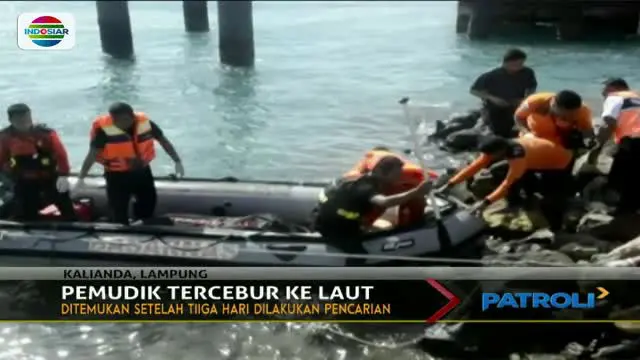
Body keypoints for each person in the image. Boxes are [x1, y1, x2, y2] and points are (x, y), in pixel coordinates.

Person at [76, 102, 184, 224]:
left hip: (142, 172)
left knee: (148, 204)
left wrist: (177, 161)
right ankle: (120, 229)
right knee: (118, 209)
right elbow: (92, 155)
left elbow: (163, 141)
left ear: (132, 116)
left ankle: (143, 226)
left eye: (123, 120)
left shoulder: (146, 123)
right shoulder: (104, 131)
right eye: (115, 120)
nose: (118, 123)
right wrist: (81, 178)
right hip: (117, 176)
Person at [438, 135, 575, 231]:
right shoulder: (501, 145)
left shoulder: (517, 155)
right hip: (535, 159)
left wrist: (485, 203)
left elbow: (507, 183)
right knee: (508, 173)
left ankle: (555, 221)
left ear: (500, 151)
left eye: (491, 155)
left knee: (551, 195)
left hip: (559, 163)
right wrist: (450, 184)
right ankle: (519, 201)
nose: (488, 158)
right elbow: (474, 166)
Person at [313, 147, 433, 238]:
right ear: (383, 173)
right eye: (397, 174)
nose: (400, 177)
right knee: (360, 254)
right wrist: (416, 192)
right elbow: (384, 202)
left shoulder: (358, 178)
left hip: (321, 218)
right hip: (334, 227)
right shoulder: (365, 187)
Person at [0, 104, 76, 221]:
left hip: (50, 177)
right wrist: (8, 179)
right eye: (19, 120)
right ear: (11, 120)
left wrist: (63, 175)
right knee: (26, 212)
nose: (24, 122)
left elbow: (61, 155)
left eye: (26, 118)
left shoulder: (46, 133)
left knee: (65, 204)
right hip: (23, 181)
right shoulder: (5, 137)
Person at [589, 78, 640, 214]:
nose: (603, 96)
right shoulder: (637, 96)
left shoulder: (614, 97)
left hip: (633, 140)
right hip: (634, 139)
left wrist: (599, 145)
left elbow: (609, 121)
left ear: (612, 88)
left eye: (604, 92)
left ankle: (623, 211)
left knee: (622, 175)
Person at [470, 48, 538, 138]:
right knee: (499, 131)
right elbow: (474, 90)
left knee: (533, 123)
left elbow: (531, 87)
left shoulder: (527, 72)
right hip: (495, 105)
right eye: (516, 64)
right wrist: (493, 98)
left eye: (521, 63)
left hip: (516, 103)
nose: (519, 66)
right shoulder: (491, 74)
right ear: (506, 62)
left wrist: (526, 99)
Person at [514, 90, 594, 149]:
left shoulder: (583, 111)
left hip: (562, 143)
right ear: (553, 104)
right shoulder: (534, 102)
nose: (565, 117)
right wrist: (526, 133)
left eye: (570, 115)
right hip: (534, 137)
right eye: (563, 114)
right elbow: (518, 117)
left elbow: (587, 131)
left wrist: (590, 141)